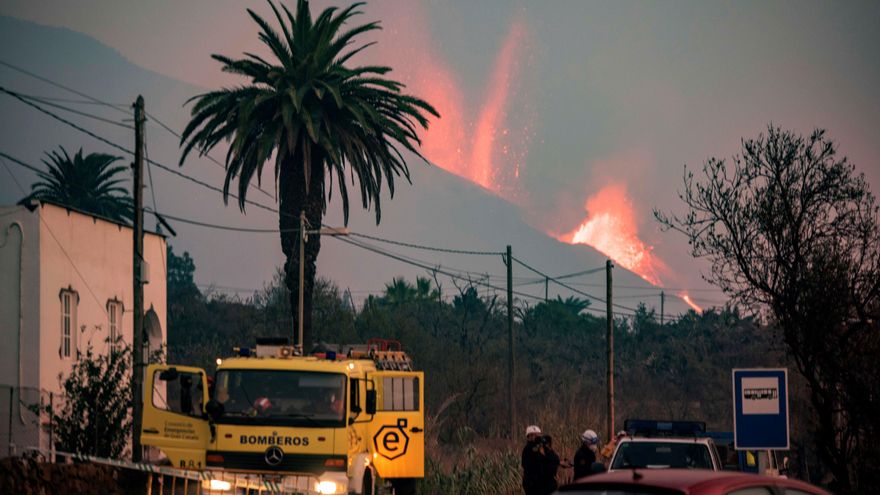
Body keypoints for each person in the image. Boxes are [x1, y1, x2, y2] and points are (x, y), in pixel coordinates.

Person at [521, 425, 543, 495]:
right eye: (534, 435)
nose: (537, 437)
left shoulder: (539, 448)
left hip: (538, 481)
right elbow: (525, 465)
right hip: (531, 482)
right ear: (529, 436)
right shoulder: (528, 449)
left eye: (538, 435)